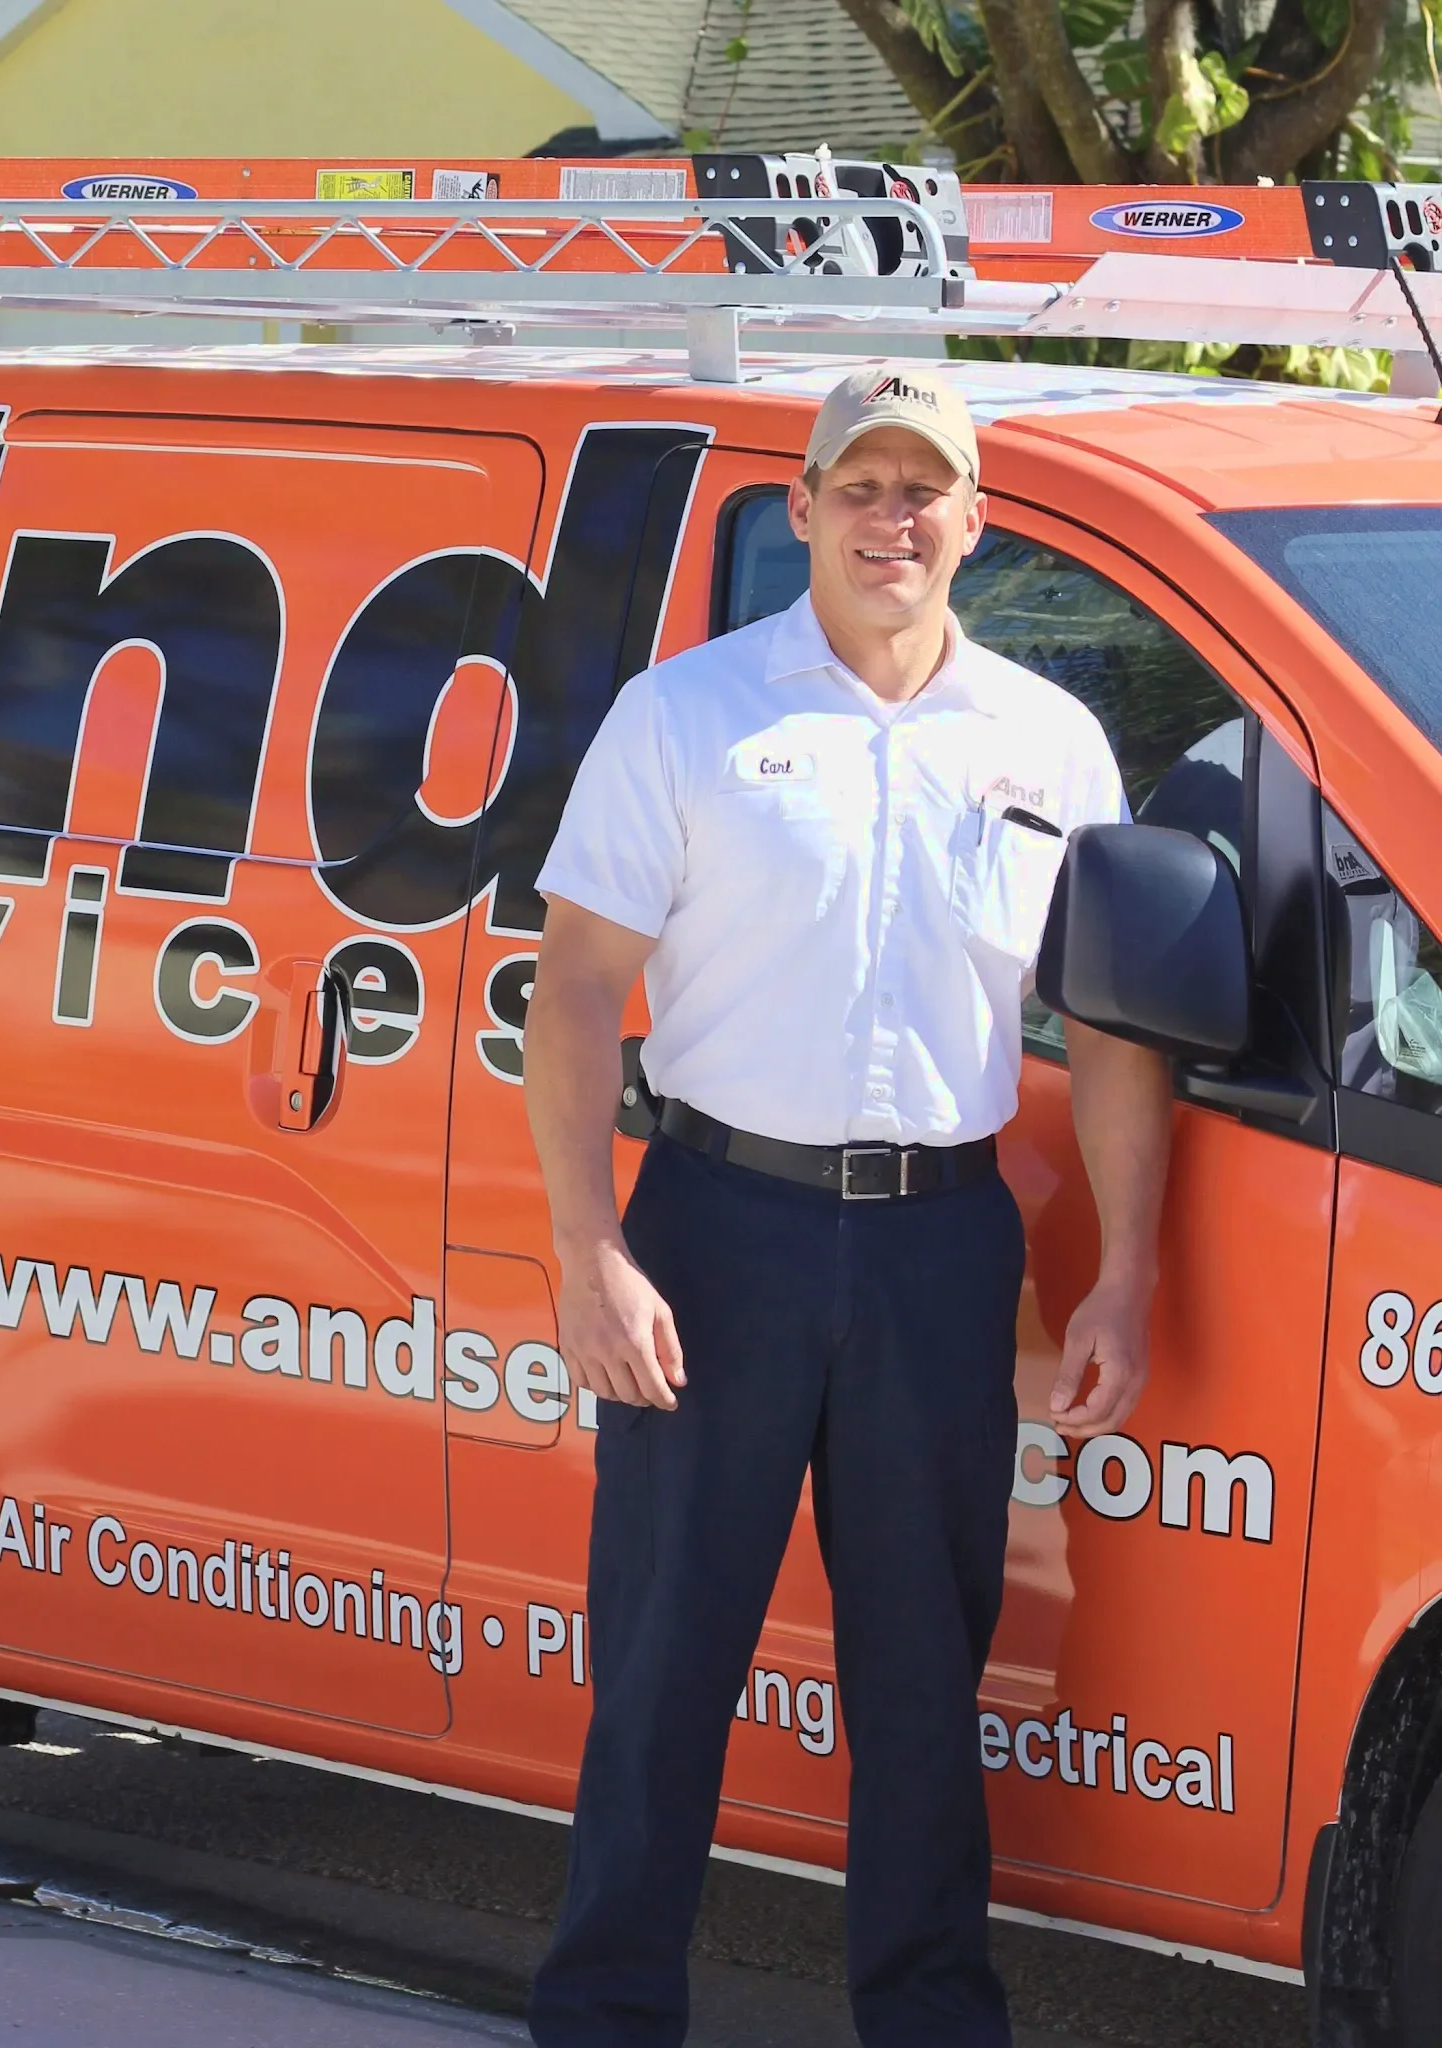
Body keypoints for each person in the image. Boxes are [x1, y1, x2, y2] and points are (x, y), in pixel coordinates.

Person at [522, 364, 1174, 2047]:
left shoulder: (1050, 742)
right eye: (861, 488)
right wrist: (590, 1249)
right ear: (802, 509)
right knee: (663, 1670)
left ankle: (933, 2023)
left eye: (924, 490)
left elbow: (1112, 1030)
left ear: (977, 520)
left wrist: (1125, 1274)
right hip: (714, 1237)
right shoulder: (687, 716)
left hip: (942, 1252)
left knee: (923, 1686)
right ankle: (603, 2020)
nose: (895, 519)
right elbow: (576, 989)